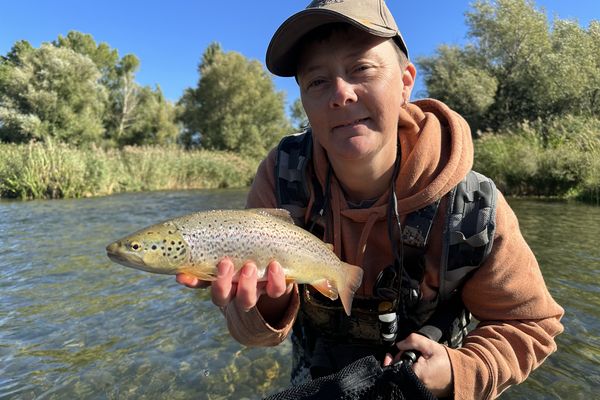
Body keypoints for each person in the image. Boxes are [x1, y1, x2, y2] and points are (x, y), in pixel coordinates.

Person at [176, 0, 564, 398]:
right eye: (317, 82)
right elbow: (253, 334)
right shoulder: (282, 178)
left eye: (361, 69)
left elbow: (533, 326)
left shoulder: (472, 207)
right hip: (319, 373)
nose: (340, 94)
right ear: (304, 103)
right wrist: (266, 308)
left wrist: (459, 371)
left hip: (430, 384)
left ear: (405, 83)